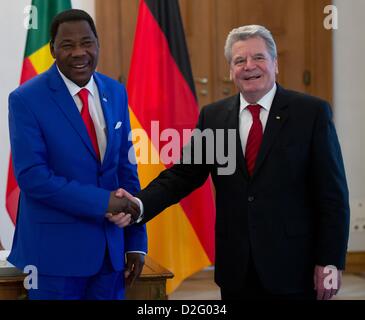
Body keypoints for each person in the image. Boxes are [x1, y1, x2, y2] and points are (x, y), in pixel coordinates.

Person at [112, 25, 350, 300]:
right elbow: (182, 176)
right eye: (239, 60)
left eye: (258, 58)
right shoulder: (214, 117)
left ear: (275, 64)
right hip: (237, 270)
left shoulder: (311, 113)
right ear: (230, 70)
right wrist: (138, 205)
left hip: (295, 268)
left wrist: (330, 261)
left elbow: (332, 195)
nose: (249, 66)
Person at [8, 9, 147, 300]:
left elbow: (125, 168)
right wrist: (104, 201)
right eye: (67, 45)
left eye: (87, 42)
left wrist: (135, 241)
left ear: (98, 44)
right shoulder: (26, 99)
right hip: (53, 258)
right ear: (52, 50)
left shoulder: (115, 91)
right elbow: (33, 177)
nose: (79, 52)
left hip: (110, 254)